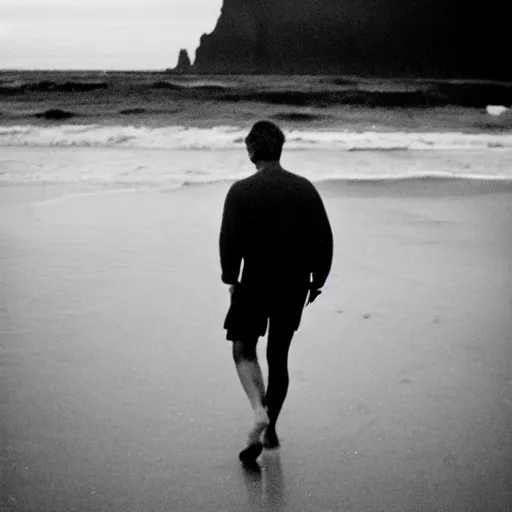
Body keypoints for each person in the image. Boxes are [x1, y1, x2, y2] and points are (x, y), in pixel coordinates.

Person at [219, 121, 333, 466]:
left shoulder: (241, 191)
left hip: (254, 281)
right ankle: (270, 430)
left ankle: (258, 410)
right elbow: (324, 240)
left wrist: (231, 279)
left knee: (243, 345)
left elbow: (229, 241)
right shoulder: (305, 189)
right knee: (278, 357)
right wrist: (317, 281)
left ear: (252, 150)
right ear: (280, 149)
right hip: (293, 283)